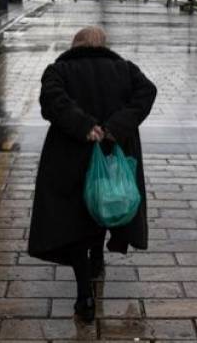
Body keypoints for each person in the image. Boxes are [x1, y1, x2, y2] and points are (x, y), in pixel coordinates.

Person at [28, 26, 157, 323]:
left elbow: (52, 100)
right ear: (103, 45)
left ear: (75, 45)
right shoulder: (125, 69)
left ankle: (84, 294)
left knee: (75, 218)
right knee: (102, 205)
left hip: (69, 156)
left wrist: (83, 125)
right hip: (113, 153)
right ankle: (97, 259)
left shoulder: (58, 70)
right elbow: (147, 92)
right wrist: (116, 127)